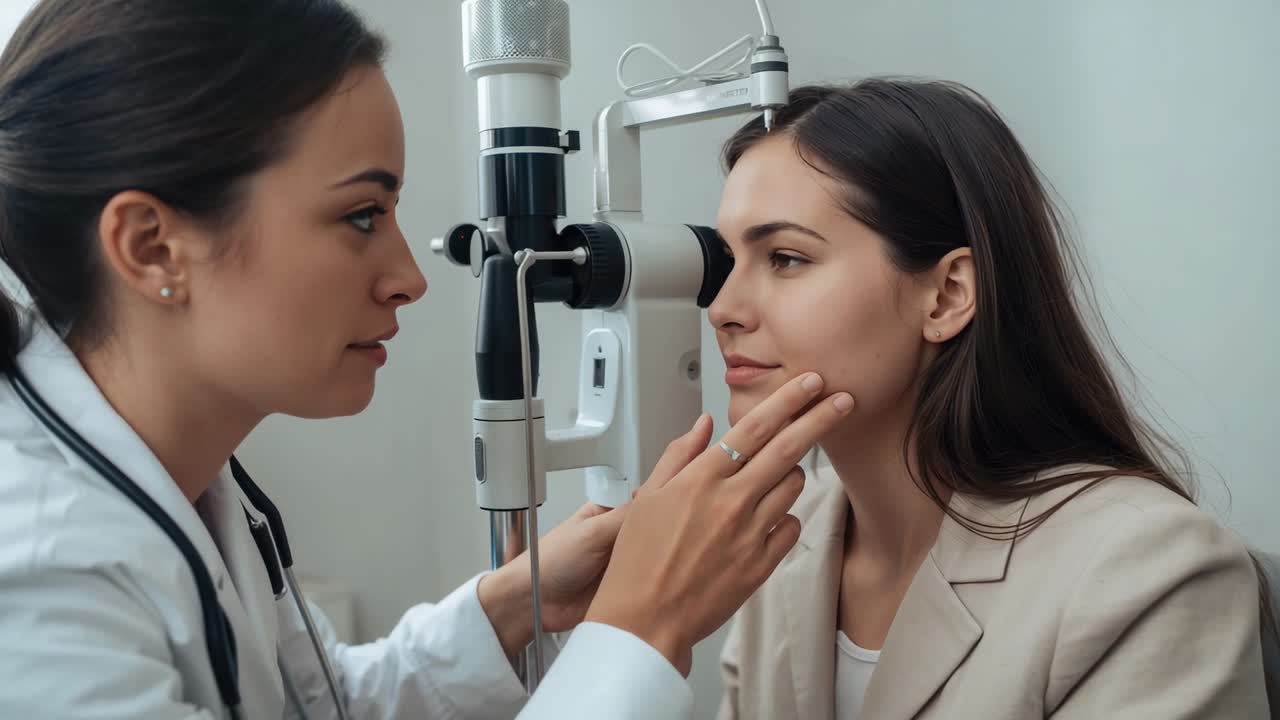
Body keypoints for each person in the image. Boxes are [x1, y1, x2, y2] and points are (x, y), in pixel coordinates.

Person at [0, 2, 856, 718]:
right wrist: (640, 626)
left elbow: (326, 704)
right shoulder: (39, 585)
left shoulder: (198, 488)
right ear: (152, 247)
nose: (410, 278)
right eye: (361, 216)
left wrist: (516, 607)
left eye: (786, 258)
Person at [709, 79, 1273, 719]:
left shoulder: (1146, 571)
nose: (723, 309)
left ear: (948, 294)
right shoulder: (781, 540)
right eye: (729, 259)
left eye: (785, 258)